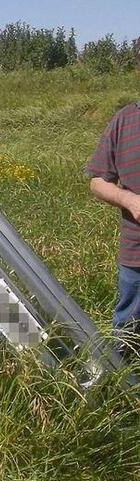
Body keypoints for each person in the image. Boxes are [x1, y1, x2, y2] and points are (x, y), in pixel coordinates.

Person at [85, 100, 140, 345]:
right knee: (128, 333)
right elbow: (97, 181)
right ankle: (126, 380)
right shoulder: (124, 120)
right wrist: (129, 200)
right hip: (136, 253)